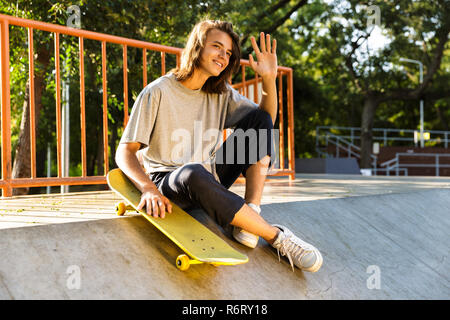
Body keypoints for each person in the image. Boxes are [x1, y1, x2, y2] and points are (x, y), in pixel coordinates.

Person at [115, 19, 322, 272]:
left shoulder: (220, 92)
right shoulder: (158, 91)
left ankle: (250, 215)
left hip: (209, 177)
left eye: (228, 53)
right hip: (170, 183)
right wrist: (148, 189)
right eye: (216, 47)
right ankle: (276, 237)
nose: (223, 56)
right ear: (197, 47)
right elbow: (124, 151)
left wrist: (269, 79)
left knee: (257, 119)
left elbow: (265, 122)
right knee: (193, 172)